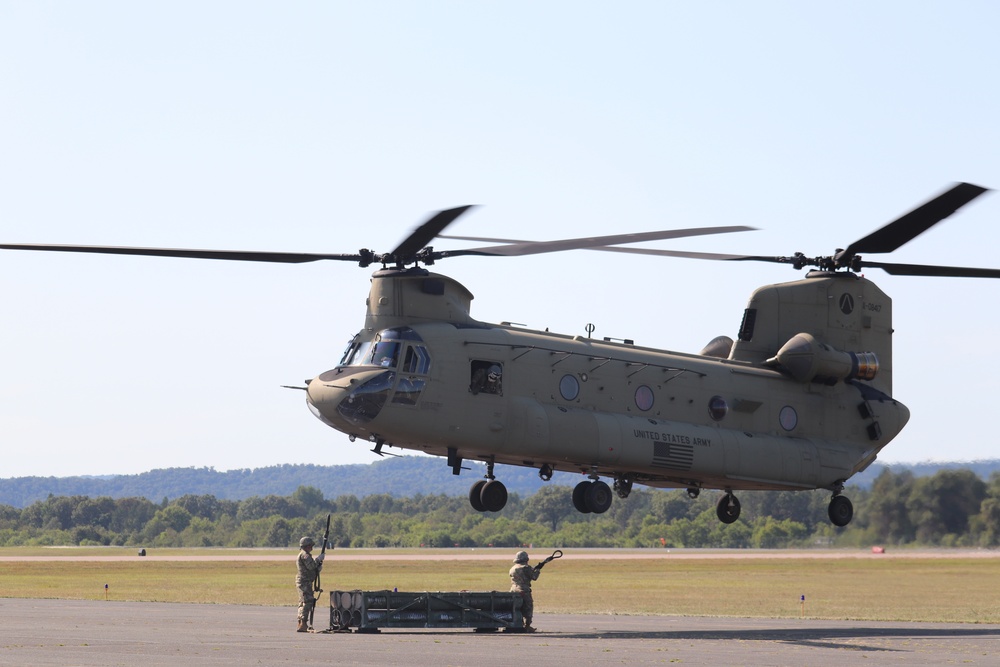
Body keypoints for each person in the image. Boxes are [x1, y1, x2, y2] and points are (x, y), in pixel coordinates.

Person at [295, 536, 325, 632]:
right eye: (310, 546)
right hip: (305, 582)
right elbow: (311, 566)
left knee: (303, 601)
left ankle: (301, 623)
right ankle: (303, 623)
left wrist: (318, 568)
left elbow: (311, 568)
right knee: (307, 601)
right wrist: (318, 560)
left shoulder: (304, 554)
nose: (311, 548)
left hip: (305, 581)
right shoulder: (305, 555)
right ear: (307, 546)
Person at [508, 550, 539, 632]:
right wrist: (538, 570)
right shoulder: (526, 568)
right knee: (528, 607)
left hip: (513, 589)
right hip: (523, 590)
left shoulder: (513, 568)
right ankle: (527, 626)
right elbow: (534, 577)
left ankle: (516, 623)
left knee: (516, 608)